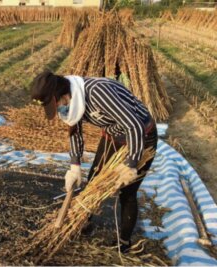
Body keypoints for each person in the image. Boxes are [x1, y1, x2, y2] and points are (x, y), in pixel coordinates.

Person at [30, 71, 158, 252]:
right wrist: (74, 166)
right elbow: (74, 130)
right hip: (113, 135)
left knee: (127, 191)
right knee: (93, 180)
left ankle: (124, 242)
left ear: (63, 94)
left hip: (142, 137)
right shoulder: (70, 101)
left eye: (56, 104)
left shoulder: (97, 92)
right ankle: (82, 222)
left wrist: (131, 164)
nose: (58, 109)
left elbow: (134, 125)